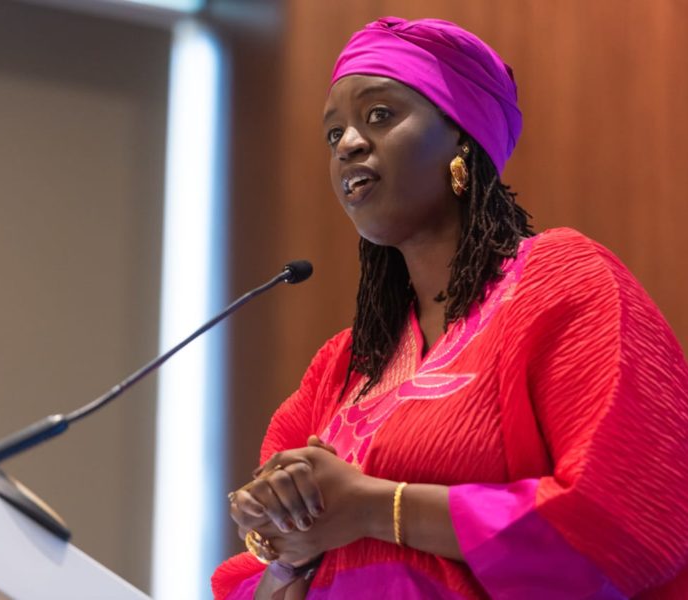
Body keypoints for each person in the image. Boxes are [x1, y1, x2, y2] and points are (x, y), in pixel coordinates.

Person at [212, 17, 688, 599]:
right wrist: (285, 545)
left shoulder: (560, 282)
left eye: (379, 115)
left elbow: (625, 517)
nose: (349, 144)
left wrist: (372, 508)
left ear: (463, 136)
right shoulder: (342, 366)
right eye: (334, 134)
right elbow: (258, 580)